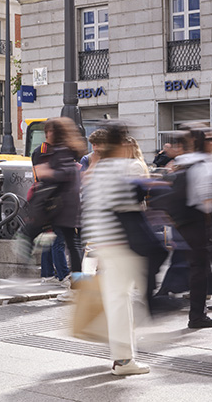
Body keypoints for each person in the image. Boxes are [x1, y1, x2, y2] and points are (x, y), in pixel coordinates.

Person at [81, 122, 150, 375]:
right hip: (122, 242)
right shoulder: (127, 167)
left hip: (104, 241)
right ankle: (123, 360)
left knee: (117, 298)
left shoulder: (98, 169)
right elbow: (129, 205)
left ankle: (121, 356)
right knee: (122, 299)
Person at [170, 128, 212, 328]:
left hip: (182, 221)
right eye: (211, 139)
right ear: (206, 143)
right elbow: (208, 199)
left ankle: (197, 310)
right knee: (200, 270)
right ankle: (197, 316)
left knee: (196, 267)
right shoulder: (207, 164)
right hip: (199, 221)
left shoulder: (183, 161)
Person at [30, 118, 86, 288]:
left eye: (49, 131)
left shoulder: (59, 150)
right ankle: (60, 277)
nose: (47, 134)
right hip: (65, 203)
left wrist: (48, 173)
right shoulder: (66, 149)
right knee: (64, 241)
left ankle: (66, 278)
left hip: (59, 203)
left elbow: (61, 174)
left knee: (59, 241)